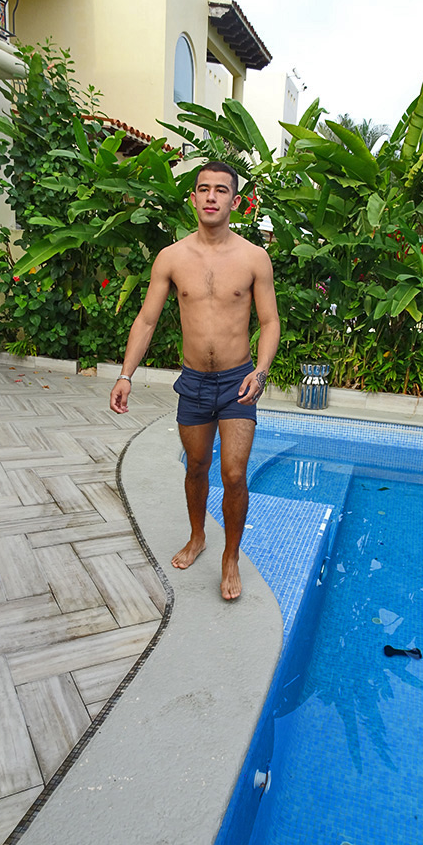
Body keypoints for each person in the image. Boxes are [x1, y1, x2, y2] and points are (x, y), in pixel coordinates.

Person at [110, 161, 280, 600]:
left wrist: (261, 371)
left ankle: (230, 557)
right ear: (193, 198)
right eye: (203, 189)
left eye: (220, 190)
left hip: (239, 381)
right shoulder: (172, 257)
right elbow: (146, 320)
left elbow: (270, 321)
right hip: (194, 383)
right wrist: (126, 374)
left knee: (234, 473)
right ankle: (198, 535)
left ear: (235, 201)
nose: (211, 196)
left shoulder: (253, 258)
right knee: (197, 467)